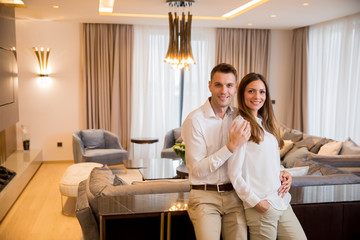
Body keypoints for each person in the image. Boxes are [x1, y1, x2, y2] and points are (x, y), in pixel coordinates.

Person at [182, 63, 292, 240]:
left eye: (229, 85)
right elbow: (197, 170)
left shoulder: (240, 117)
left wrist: (282, 172)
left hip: (234, 197)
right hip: (205, 196)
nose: (224, 90)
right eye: (218, 84)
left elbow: (259, 156)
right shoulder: (195, 121)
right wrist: (230, 148)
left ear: (235, 88)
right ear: (210, 85)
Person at [227, 72, 307, 240]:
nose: (257, 96)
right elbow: (234, 173)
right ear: (242, 94)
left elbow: (268, 162)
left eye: (262, 92)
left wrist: (284, 173)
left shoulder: (266, 125)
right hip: (262, 206)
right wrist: (256, 202)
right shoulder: (241, 125)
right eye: (251, 91)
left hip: (282, 201)